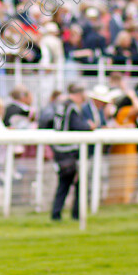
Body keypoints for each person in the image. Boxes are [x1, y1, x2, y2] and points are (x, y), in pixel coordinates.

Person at [50, 83, 93, 221]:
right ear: (79, 94)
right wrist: (89, 125)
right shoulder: (72, 106)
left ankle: (57, 214)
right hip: (69, 151)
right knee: (76, 184)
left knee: (63, 184)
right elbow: (78, 126)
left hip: (59, 150)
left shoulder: (61, 104)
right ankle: (75, 214)